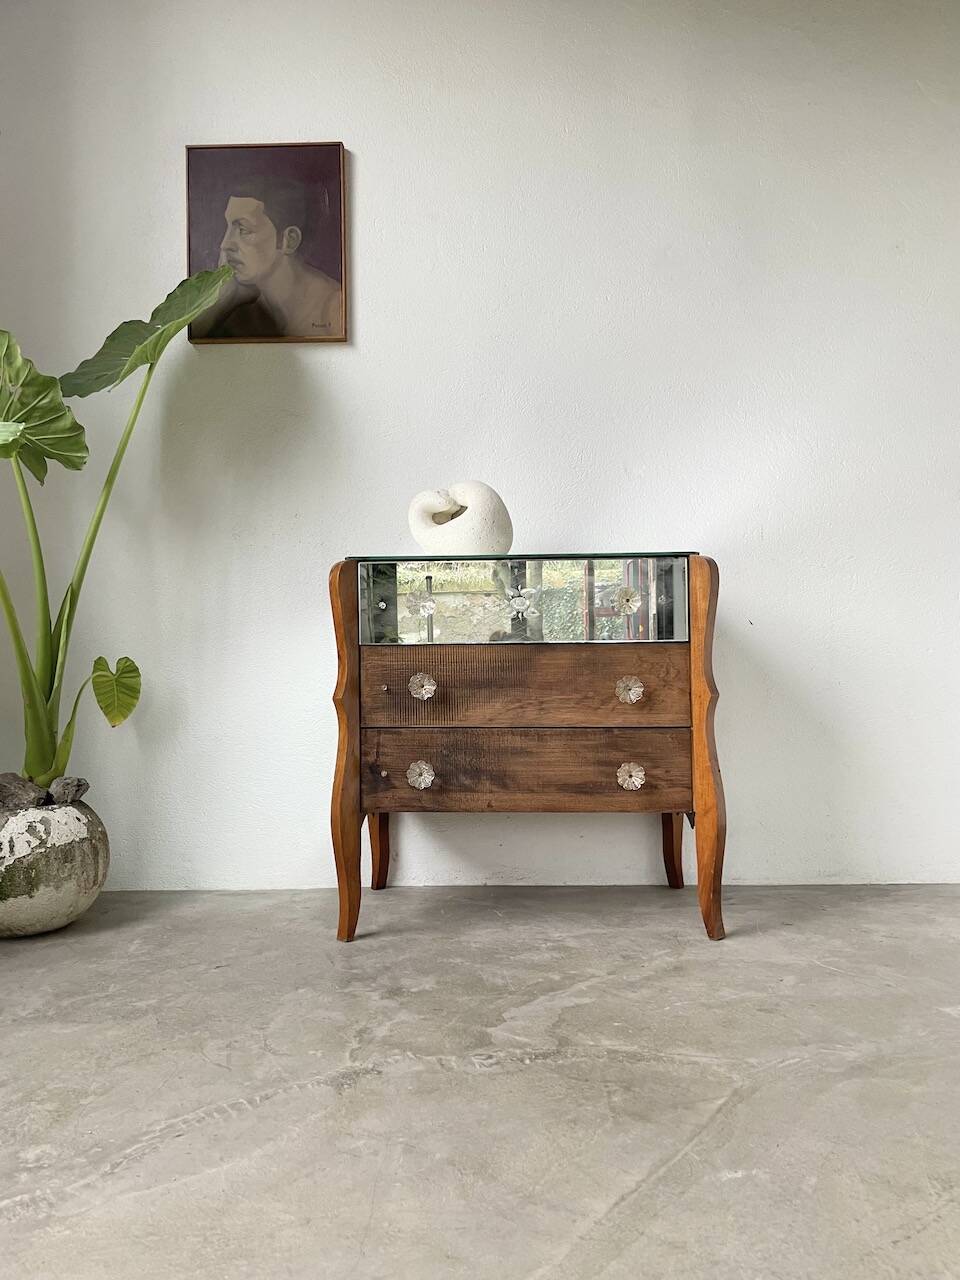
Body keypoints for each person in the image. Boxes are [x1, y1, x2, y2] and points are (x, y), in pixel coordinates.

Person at [191, 176, 343, 339]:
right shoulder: (245, 309)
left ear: (289, 240)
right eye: (227, 228)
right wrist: (224, 297)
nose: (225, 244)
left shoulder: (333, 308)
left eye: (243, 229)